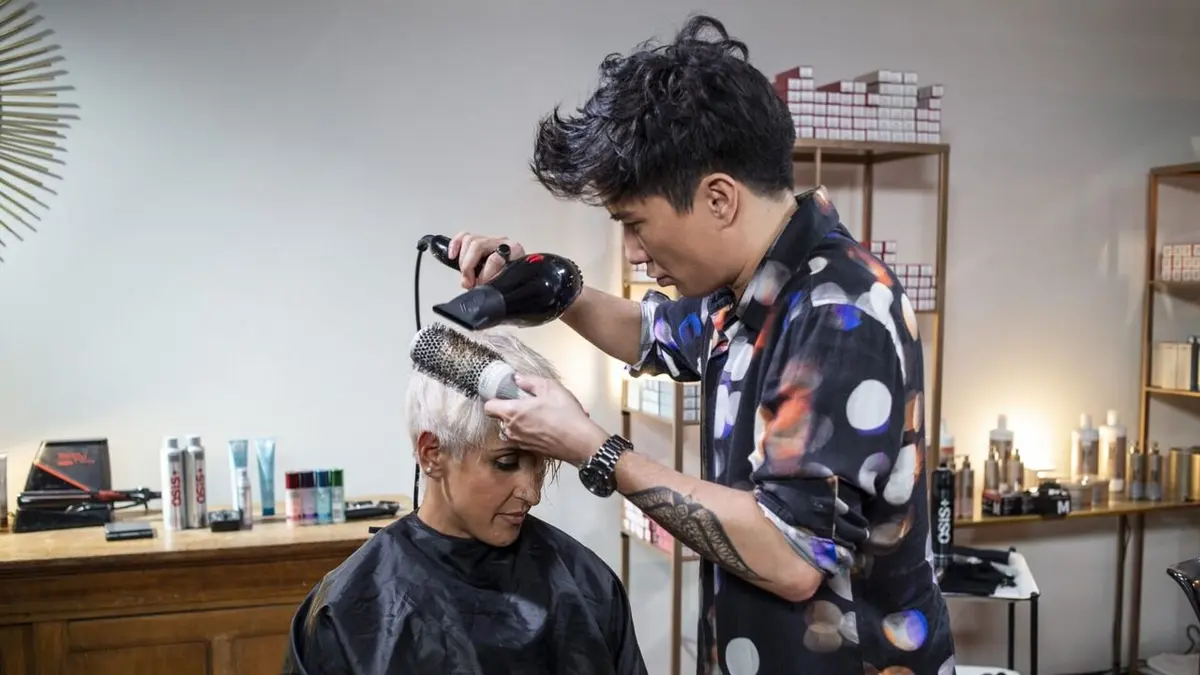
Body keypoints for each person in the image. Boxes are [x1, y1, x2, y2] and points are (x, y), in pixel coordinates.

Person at [448, 14, 956, 675]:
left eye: (636, 224)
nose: (634, 251)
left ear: (719, 199)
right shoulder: (748, 292)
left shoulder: (836, 312)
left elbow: (791, 557)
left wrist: (594, 448)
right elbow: (653, 334)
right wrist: (546, 286)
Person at [282, 330, 649, 675]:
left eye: (542, 463)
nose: (532, 493)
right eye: (506, 462)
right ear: (431, 453)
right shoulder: (344, 612)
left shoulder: (588, 583)